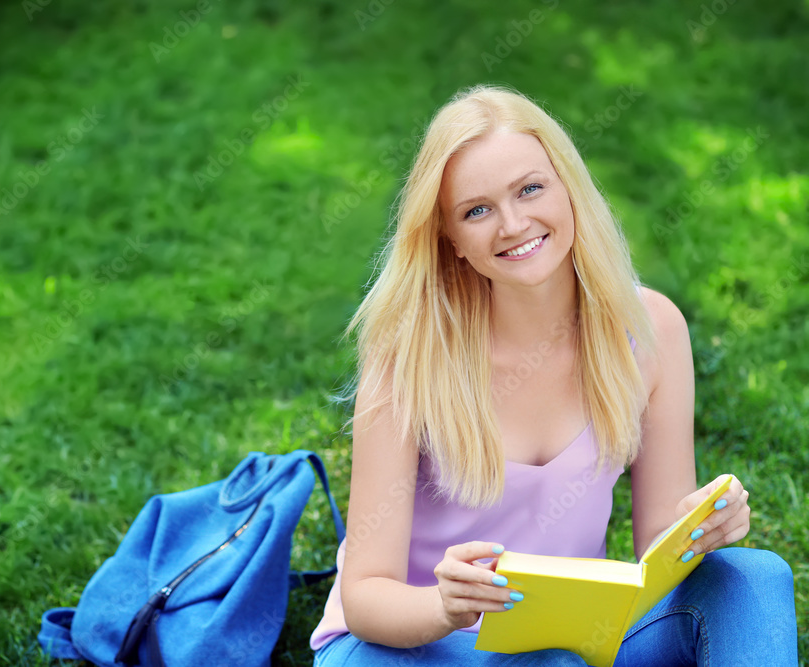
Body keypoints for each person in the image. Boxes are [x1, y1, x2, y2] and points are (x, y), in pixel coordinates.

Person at [309, 84, 798, 666]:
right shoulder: (408, 357)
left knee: (751, 577)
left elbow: (659, 549)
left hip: (567, 635)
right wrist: (444, 607)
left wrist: (704, 529)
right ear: (452, 241)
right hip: (411, 643)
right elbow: (366, 595)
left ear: (569, 190)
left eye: (531, 189)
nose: (514, 224)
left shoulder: (651, 329)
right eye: (477, 210)